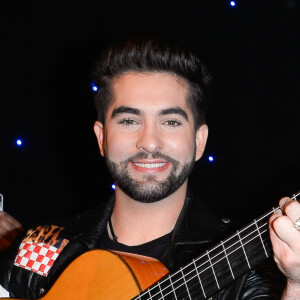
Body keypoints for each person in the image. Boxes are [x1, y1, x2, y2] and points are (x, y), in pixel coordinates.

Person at [0, 34, 299, 299]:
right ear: (102, 138)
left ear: (199, 141)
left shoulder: (253, 269)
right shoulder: (43, 245)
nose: (150, 142)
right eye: (129, 121)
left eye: (170, 122)